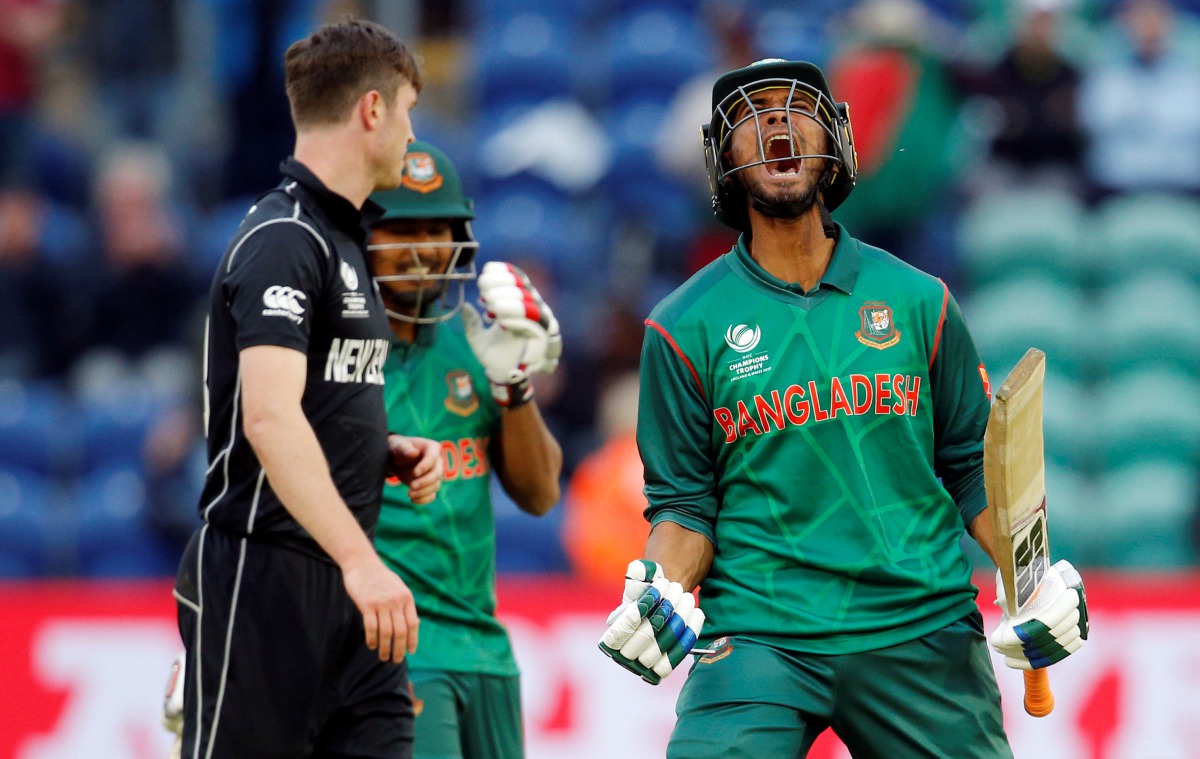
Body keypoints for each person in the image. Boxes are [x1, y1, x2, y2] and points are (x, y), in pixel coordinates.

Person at [597, 58, 1090, 758]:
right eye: (751, 114)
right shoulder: (683, 326)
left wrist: (1032, 578)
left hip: (918, 622)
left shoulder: (922, 301)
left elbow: (976, 471)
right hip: (763, 632)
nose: (775, 121)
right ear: (722, 158)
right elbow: (684, 506)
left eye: (797, 108)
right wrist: (658, 587)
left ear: (834, 141)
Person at [171, 19, 442, 759]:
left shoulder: (341, 238)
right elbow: (266, 416)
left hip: (348, 593)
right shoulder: (285, 238)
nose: (413, 134)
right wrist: (361, 563)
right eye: (409, 111)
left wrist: (377, 449)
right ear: (372, 110)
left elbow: (306, 401)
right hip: (266, 577)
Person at [366, 139, 563, 758]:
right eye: (401, 230)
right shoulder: (335, 357)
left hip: (487, 645)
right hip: (395, 649)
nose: (423, 250)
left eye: (437, 229)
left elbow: (539, 494)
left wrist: (513, 383)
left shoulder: (476, 342)